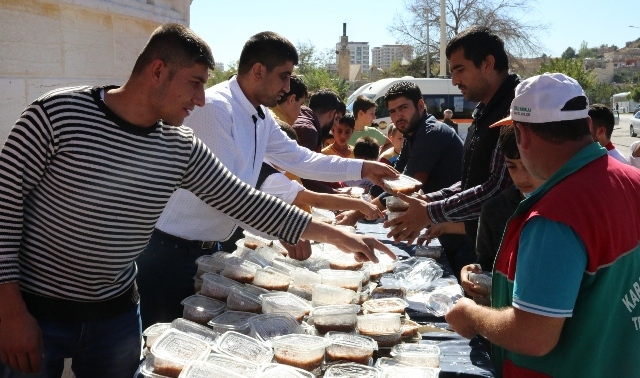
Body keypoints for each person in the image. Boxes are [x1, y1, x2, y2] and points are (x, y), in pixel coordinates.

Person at [0, 24, 395, 378]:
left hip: (116, 315)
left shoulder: (178, 145)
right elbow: (4, 206)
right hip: (36, 310)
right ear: (157, 71)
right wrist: (10, 311)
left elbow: (243, 200)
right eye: (194, 82)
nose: (201, 100)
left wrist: (338, 236)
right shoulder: (57, 113)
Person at [138, 31, 398, 329]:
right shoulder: (215, 108)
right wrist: (325, 233)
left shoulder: (260, 116)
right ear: (258, 71)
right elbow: (233, 197)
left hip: (210, 250)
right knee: (163, 347)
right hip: (170, 254)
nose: (288, 88)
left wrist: (363, 169)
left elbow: (300, 159)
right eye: (284, 77)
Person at [445, 73, 640, 377]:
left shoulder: (554, 216)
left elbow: (533, 335)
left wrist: (472, 316)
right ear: (587, 125)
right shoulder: (632, 181)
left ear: (521, 136)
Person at [385, 25, 517, 247]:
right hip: (481, 242)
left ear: (487, 64)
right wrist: (428, 200)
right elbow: (471, 181)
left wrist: (430, 211)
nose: (454, 81)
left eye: (459, 70)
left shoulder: (516, 109)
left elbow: (498, 188)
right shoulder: (486, 111)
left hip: (506, 248)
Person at [458, 124, 545, 303]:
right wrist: (471, 271)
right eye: (512, 167)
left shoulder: (563, 206)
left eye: (528, 166)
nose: (521, 177)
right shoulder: (493, 209)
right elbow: (487, 263)